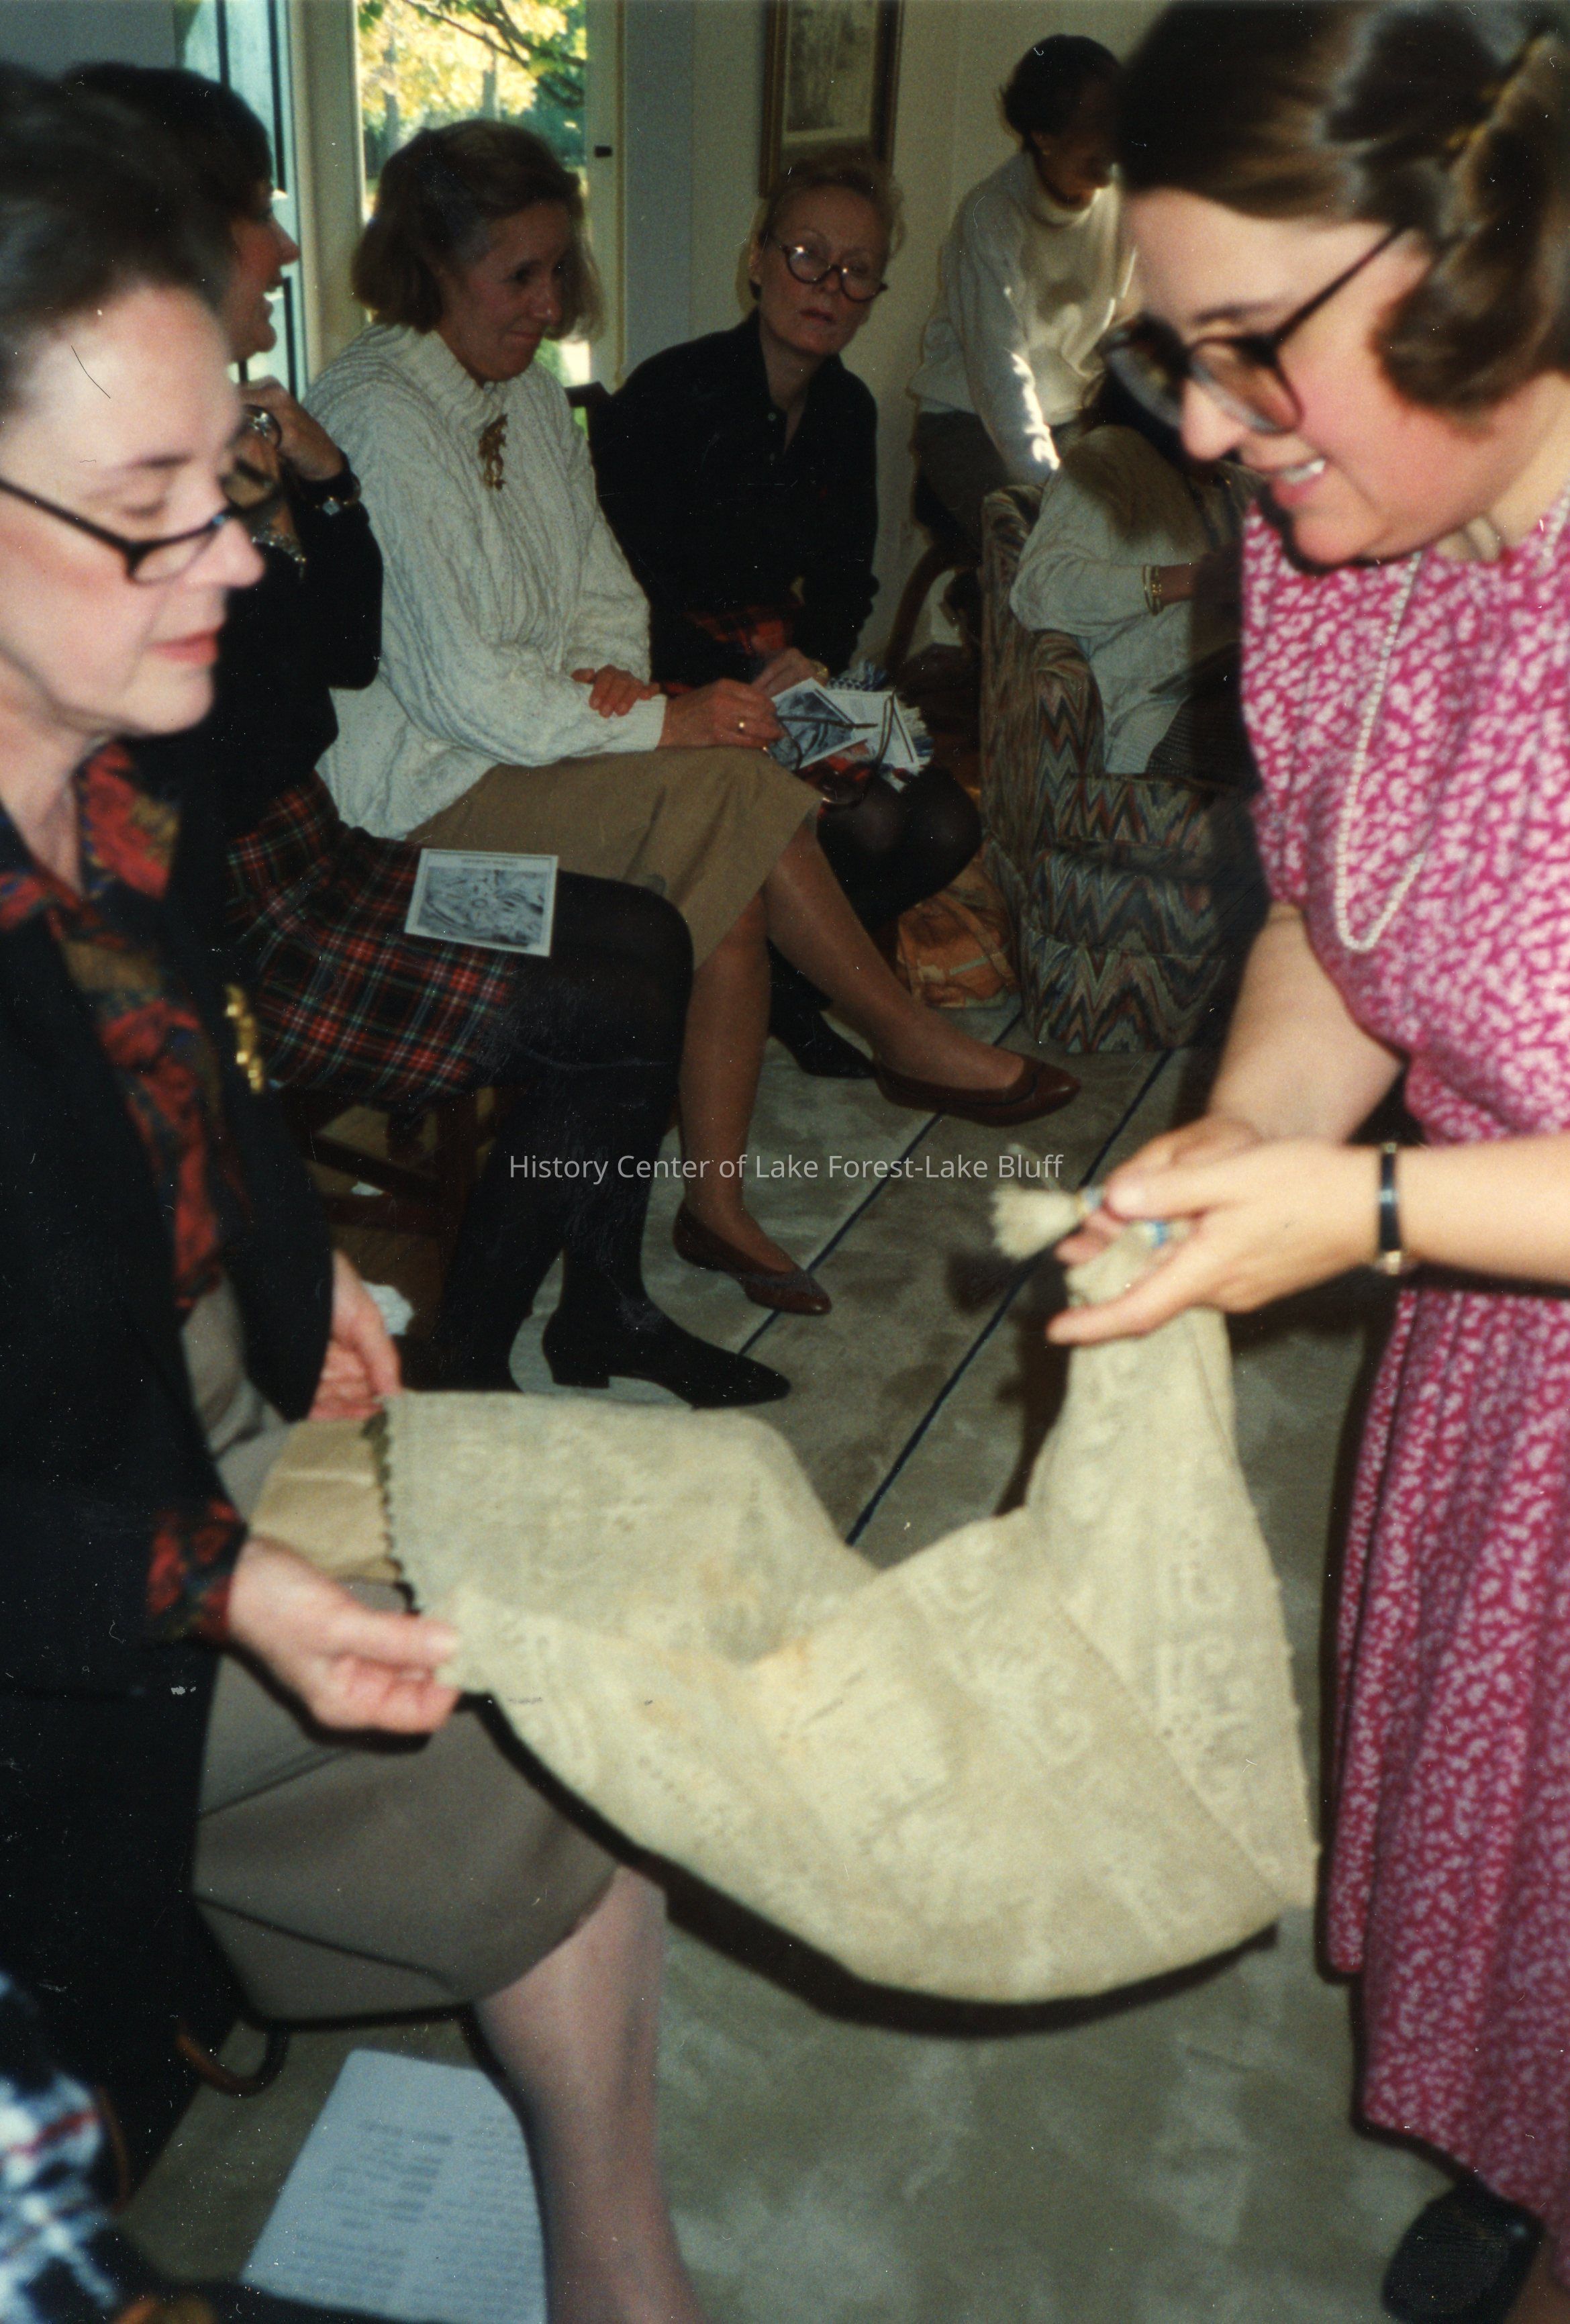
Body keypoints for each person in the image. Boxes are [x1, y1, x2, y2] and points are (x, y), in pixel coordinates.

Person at [0, 69, 718, 2324]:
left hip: (163, 1452)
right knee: (546, 1717)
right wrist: (226, 1578)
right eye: (152, 508)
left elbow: (189, 1077)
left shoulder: (105, 801)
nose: (229, 555)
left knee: (606, 1690)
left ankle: (613, 2263)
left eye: (220, 482)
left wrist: (296, 1277)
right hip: (78, 1581)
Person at [1050, 7, 1570, 2321]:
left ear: (1470, 262)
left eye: (1244, 347)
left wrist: (1357, 1211)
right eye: (1169, 356)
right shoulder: (1333, 542)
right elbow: (1331, 910)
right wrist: (1253, 1133)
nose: (1195, 427)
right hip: (1493, 1363)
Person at [68, 63, 783, 1410]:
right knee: (606, 998)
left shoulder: (226, 424)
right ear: (174, 232)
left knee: (645, 936)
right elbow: (269, 727)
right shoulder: (116, 462)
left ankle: (603, 1309)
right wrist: (258, 548)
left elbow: (338, 655)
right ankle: (471, 1361)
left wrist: (321, 500)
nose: (289, 245)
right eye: (258, 210)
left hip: (325, 857)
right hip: (253, 910)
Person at [309, 124, 1079, 1316]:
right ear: (429, 265)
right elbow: (462, 689)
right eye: (520, 276)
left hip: (548, 739)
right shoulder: (381, 414)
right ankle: (890, 1032)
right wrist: (654, 719)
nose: (550, 305)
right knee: (732, 793)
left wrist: (620, 685)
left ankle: (717, 1206)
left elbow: (604, 587)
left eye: (558, 270)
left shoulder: (527, 389)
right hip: (418, 797)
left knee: (768, 840)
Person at [592, 150, 983, 1081]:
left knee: (943, 821)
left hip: (779, 666)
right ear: (757, 260)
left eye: (856, 270)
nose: (828, 288)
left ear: (874, 293)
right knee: (868, 824)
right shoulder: (670, 392)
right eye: (807, 256)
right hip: (669, 676)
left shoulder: (847, 410)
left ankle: (787, 989)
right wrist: (742, 684)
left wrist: (815, 656)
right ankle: (798, 995)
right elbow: (619, 587)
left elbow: (847, 580)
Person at [911, 34, 1133, 555]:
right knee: (1043, 548)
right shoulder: (991, 216)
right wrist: (1051, 491)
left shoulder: (1124, 207)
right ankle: (993, 601)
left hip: (1069, 417)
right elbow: (999, 373)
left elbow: (1130, 334)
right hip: (970, 420)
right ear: (1043, 136)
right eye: (1094, 124)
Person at [1009, 369, 1253, 775]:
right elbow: (1041, 588)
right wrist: (1193, 579)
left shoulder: (1244, 488)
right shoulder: (1113, 456)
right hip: (1157, 720)